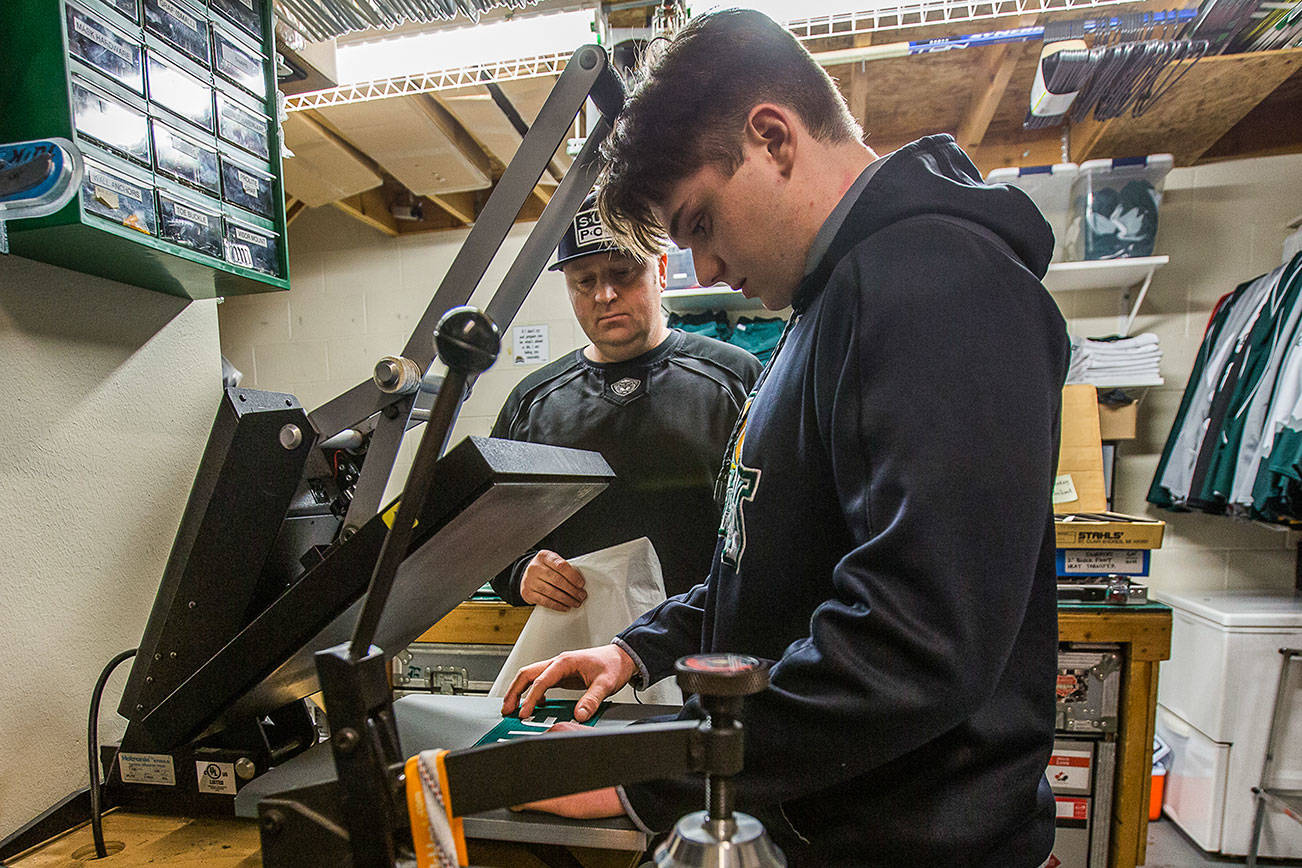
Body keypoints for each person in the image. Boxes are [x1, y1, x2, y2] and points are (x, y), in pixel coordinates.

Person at [500, 10, 1070, 867]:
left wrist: (652, 777)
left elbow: (914, 641)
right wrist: (639, 647)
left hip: (909, 846)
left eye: (698, 224)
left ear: (772, 138)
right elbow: (770, 570)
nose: (708, 270)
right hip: (817, 821)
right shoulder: (830, 307)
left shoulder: (937, 285)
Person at [490, 192, 761, 612]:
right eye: (585, 281)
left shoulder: (734, 378)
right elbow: (490, 536)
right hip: (580, 651)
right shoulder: (532, 403)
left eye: (624, 272)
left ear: (661, 271)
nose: (605, 295)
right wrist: (521, 573)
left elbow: (776, 518)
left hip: (706, 649)